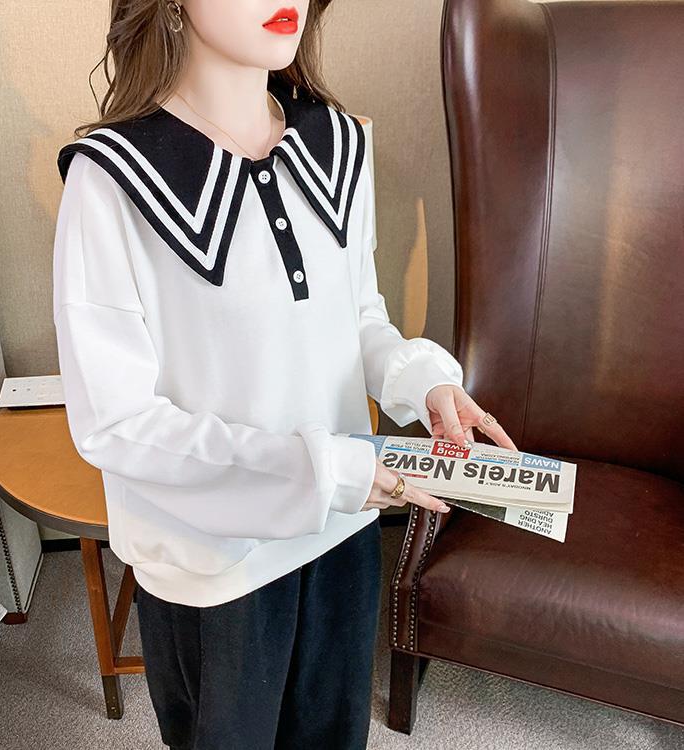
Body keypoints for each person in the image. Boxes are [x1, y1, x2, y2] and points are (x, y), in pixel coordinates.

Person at [52, 1, 518, 747]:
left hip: (344, 530)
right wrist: (323, 470)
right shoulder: (111, 181)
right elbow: (117, 422)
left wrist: (423, 382)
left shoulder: (339, 142)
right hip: (216, 561)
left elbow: (357, 317)